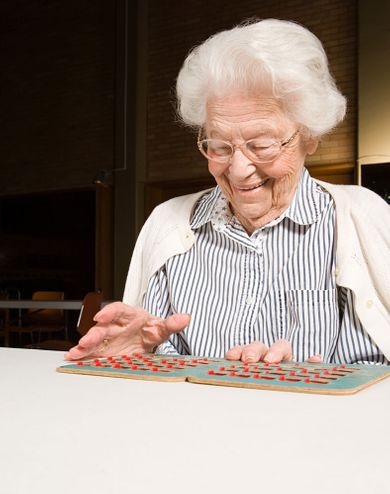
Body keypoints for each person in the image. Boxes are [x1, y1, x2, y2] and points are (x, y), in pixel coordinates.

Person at [66, 19, 390, 365]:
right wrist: (134, 360)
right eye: (219, 146)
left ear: (309, 136)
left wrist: (315, 384)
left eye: (261, 145)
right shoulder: (168, 225)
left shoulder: (361, 219)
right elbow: (152, 371)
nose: (238, 170)